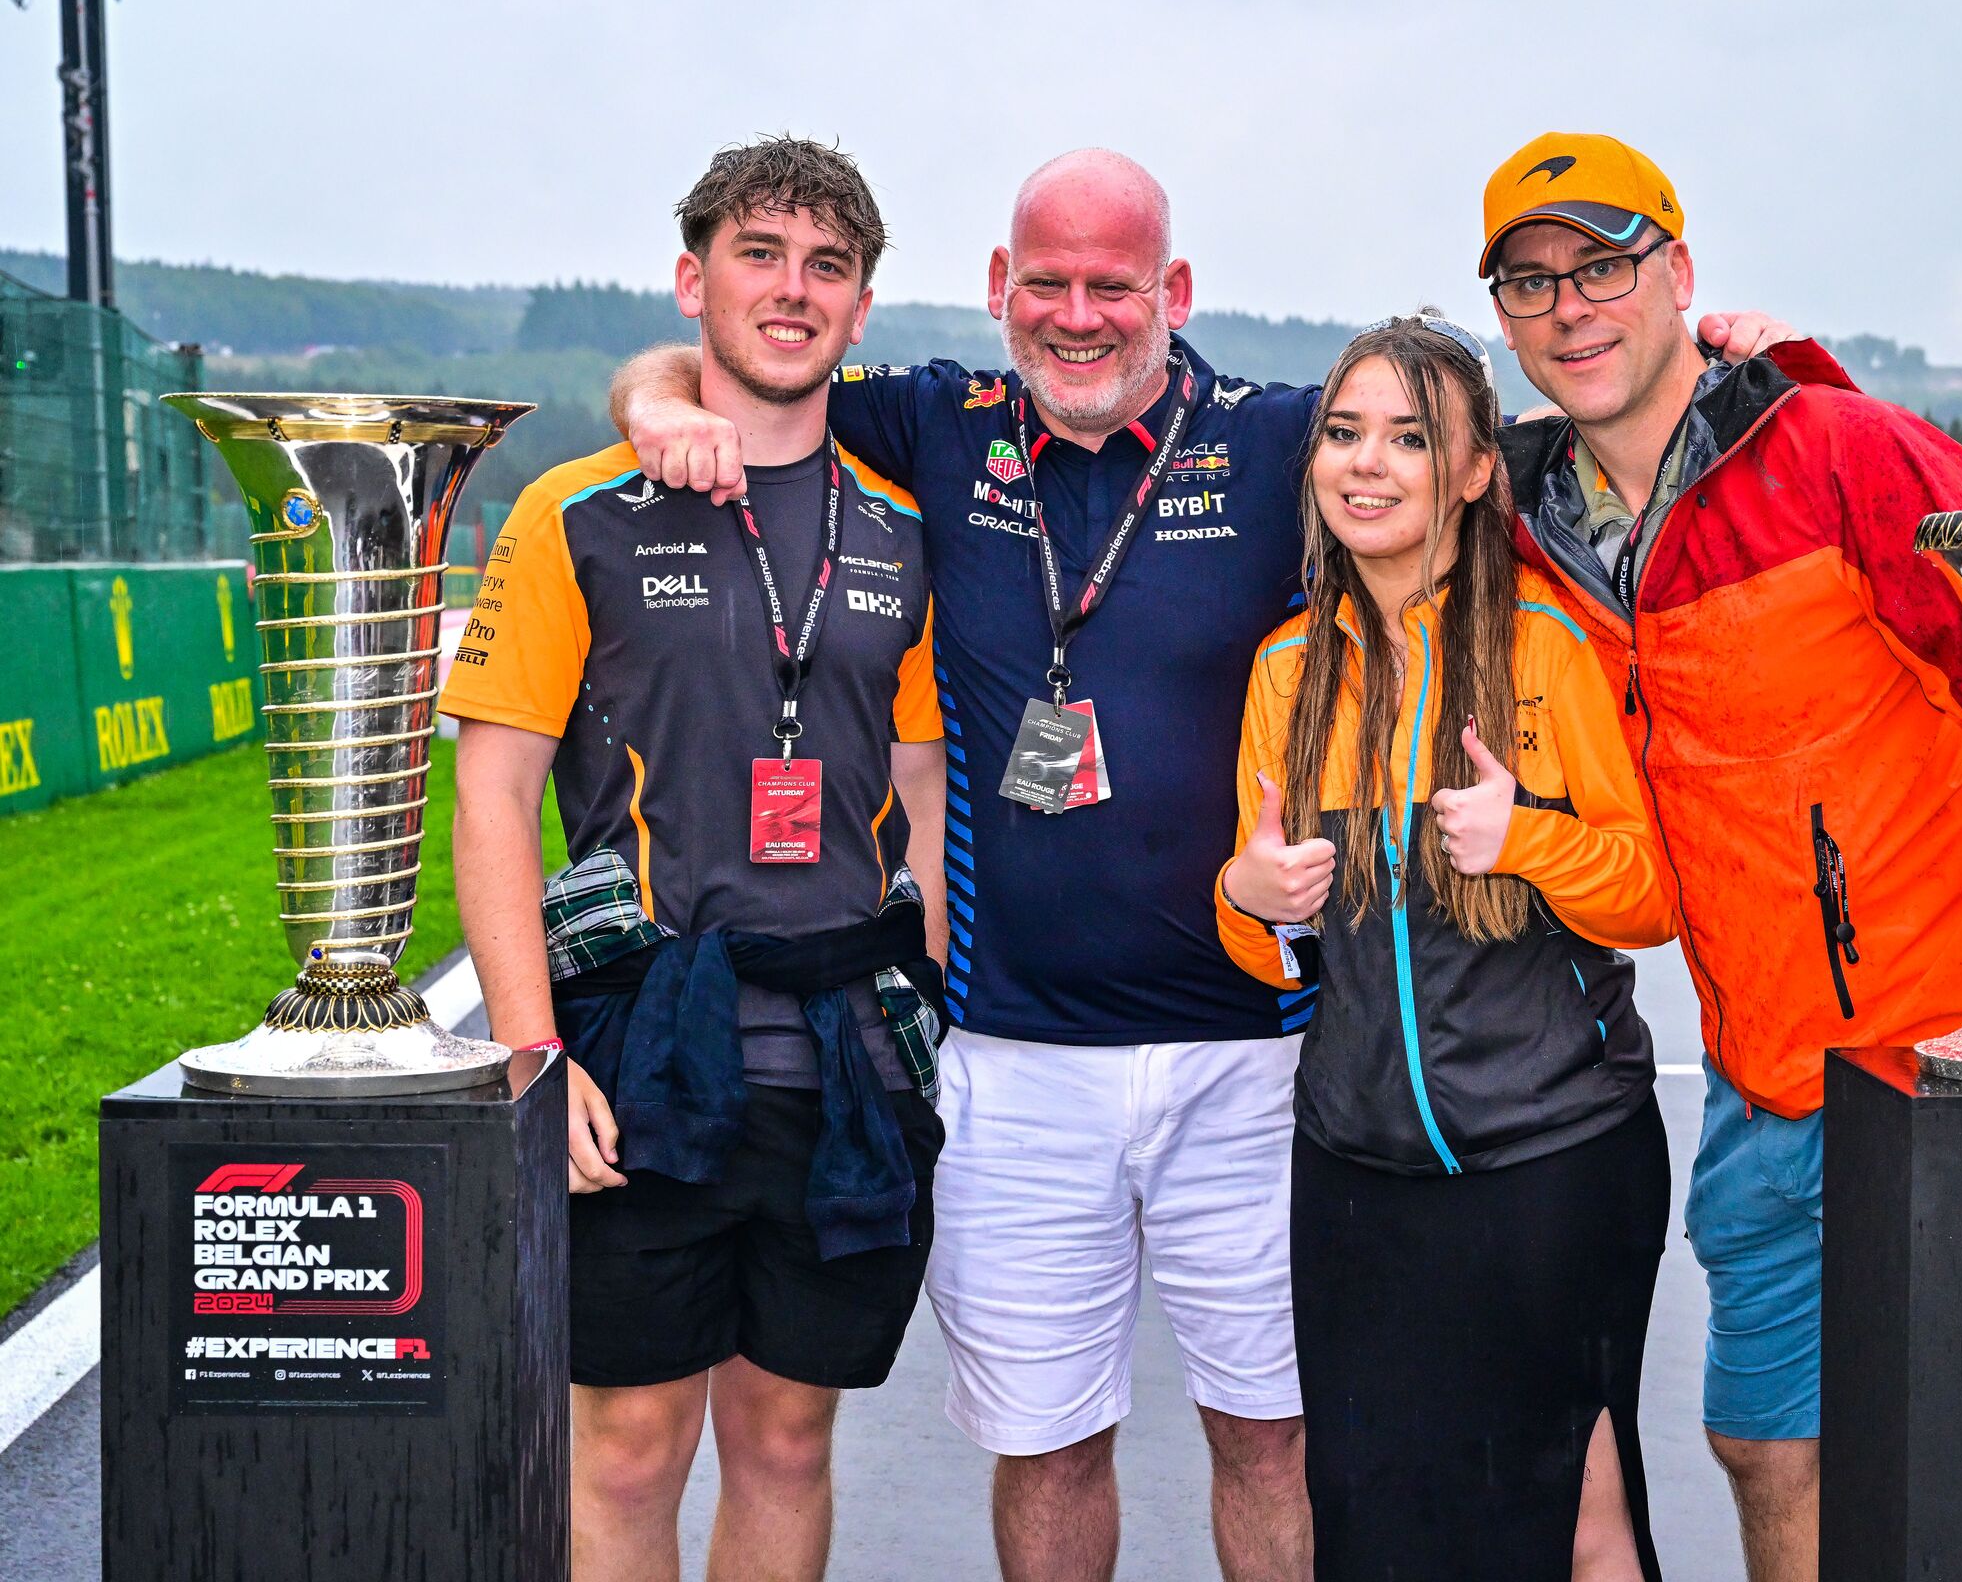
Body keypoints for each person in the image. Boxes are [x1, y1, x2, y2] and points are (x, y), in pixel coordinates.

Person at [611, 146, 1793, 1582]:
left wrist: (1717, 359)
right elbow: (742, 359)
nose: (1079, 314)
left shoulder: (1284, 435)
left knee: (1272, 1437)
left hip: (1260, 1060)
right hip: (1016, 1052)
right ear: (999, 288)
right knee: (1046, 1447)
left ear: (1172, 290)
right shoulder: (935, 419)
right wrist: (652, 401)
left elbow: (1465, 435)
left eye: (1115, 284)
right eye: (1044, 282)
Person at [1478, 130, 1962, 1582]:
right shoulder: (1519, 528)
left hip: (1959, 1061)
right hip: (1765, 1084)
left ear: (1680, 273)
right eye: (1531, 281)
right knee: (1770, 1453)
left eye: (1607, 266)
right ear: (1503, 317)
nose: (1571, 306)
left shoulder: (1845, 454)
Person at [443, 136, 949, 1582]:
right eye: (761, 255)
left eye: (828, 268)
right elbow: (492, 801)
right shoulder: (576, 514)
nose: (793, 291)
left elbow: (918, 788)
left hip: (842, 1063)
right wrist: (535, 1054)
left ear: (859, 313)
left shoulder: (901, 533)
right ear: (694, 279)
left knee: (789, 1443)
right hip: (636, 1056)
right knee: (624, 1448)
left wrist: (932, 1012)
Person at [1217, 313, 1677, 1581]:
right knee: (1370, 1529)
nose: (1368, 464)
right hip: (1357, 1180)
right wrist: (1250, 896)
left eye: (1410, 437)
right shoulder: (1287, 669)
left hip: (1554, 1165)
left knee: (1574, 1520)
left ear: (1476, 470)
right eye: (1346, 433)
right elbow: (1268, 948)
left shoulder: (1549, 646)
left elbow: (1650, 896)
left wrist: (1528, 839)